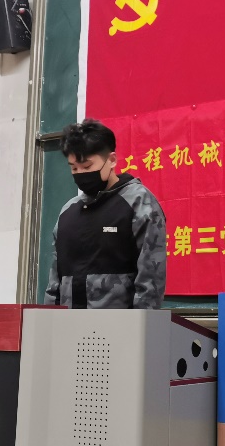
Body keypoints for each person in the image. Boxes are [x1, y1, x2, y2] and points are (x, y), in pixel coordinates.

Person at [44, 118, 166, 309]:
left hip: (119, 325)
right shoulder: (68, 211)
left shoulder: (138, 202)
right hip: (68, 324)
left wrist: (140, 326)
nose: (80, 173)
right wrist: (49, 319)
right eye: (74, 168)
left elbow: (150, 282)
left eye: (87, 166)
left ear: (112, 160)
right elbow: (54, 282)